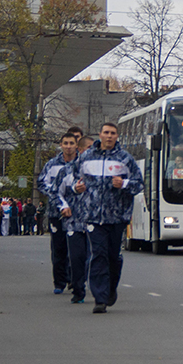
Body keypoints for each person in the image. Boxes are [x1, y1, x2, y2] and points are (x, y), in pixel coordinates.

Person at [72, 122, 144, 314]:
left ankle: (111, 287)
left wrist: (124, 183)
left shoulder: (125, 159)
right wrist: (75, 188)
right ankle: (100, 298)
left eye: (113, 133)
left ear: (117, 136)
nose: (109, 136)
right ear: (100, 135)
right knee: (98, 254)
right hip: (93, 216)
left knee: (113, 257)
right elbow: (72, 178)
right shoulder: (86, 157)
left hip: (117, 216)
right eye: (106, 133)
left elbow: (139, 184)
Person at [40, 132, 80, 294]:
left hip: (77, 212)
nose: (68, 146)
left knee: (76, 249)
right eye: (66, 143)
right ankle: (59, 282)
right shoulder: (52, 164)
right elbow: (42, 183)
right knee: (59, 248)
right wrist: (56, 193)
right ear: (61, 145)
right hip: (56, 212)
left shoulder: (81, 164)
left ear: (76, 145)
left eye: (71, 143)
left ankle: (74, 279)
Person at [57, 136, 94, 303]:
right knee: (77, 257)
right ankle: (78, 290)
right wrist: (63, 206)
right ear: (81, 150)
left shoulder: (101, 170)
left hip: (96, 222)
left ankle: (97, 288)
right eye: (89, 148)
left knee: (95, 257)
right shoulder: (69, 170)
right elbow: (57, 192)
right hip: (74, 221)